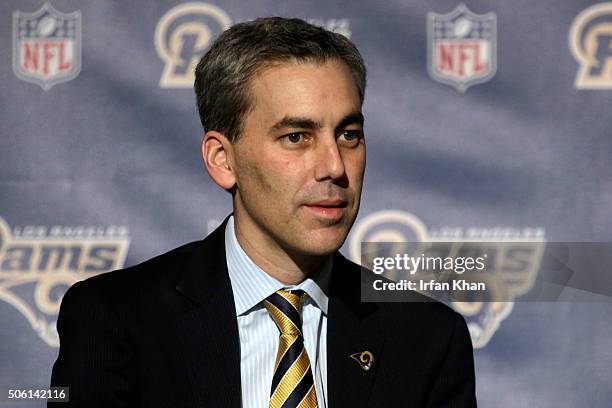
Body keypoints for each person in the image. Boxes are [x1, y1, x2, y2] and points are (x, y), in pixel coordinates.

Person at [50, 17, 476, 407]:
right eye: (296, 137)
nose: (333, 166)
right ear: (223, 160)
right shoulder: (115, 321)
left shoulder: (427, 339)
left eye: (348, 134)